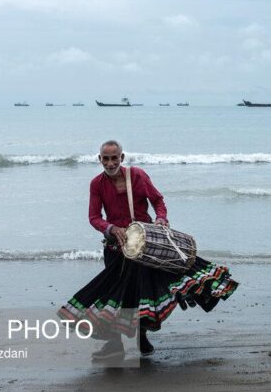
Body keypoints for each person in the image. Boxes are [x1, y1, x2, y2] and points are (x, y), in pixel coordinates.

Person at [58, 140, 238, 360]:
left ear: (122, 158)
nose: (110, 162)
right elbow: (94, 217)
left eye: (115, 158)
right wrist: (111, 228)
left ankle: (142, 337)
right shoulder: (96, 184)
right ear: (100, 160)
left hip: (145, 248)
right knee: (113, 298)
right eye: (106, 158)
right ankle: (115, 345)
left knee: (141, 296)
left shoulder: (137, 176)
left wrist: (161, 219)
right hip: (116, 251)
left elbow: (158, 200)